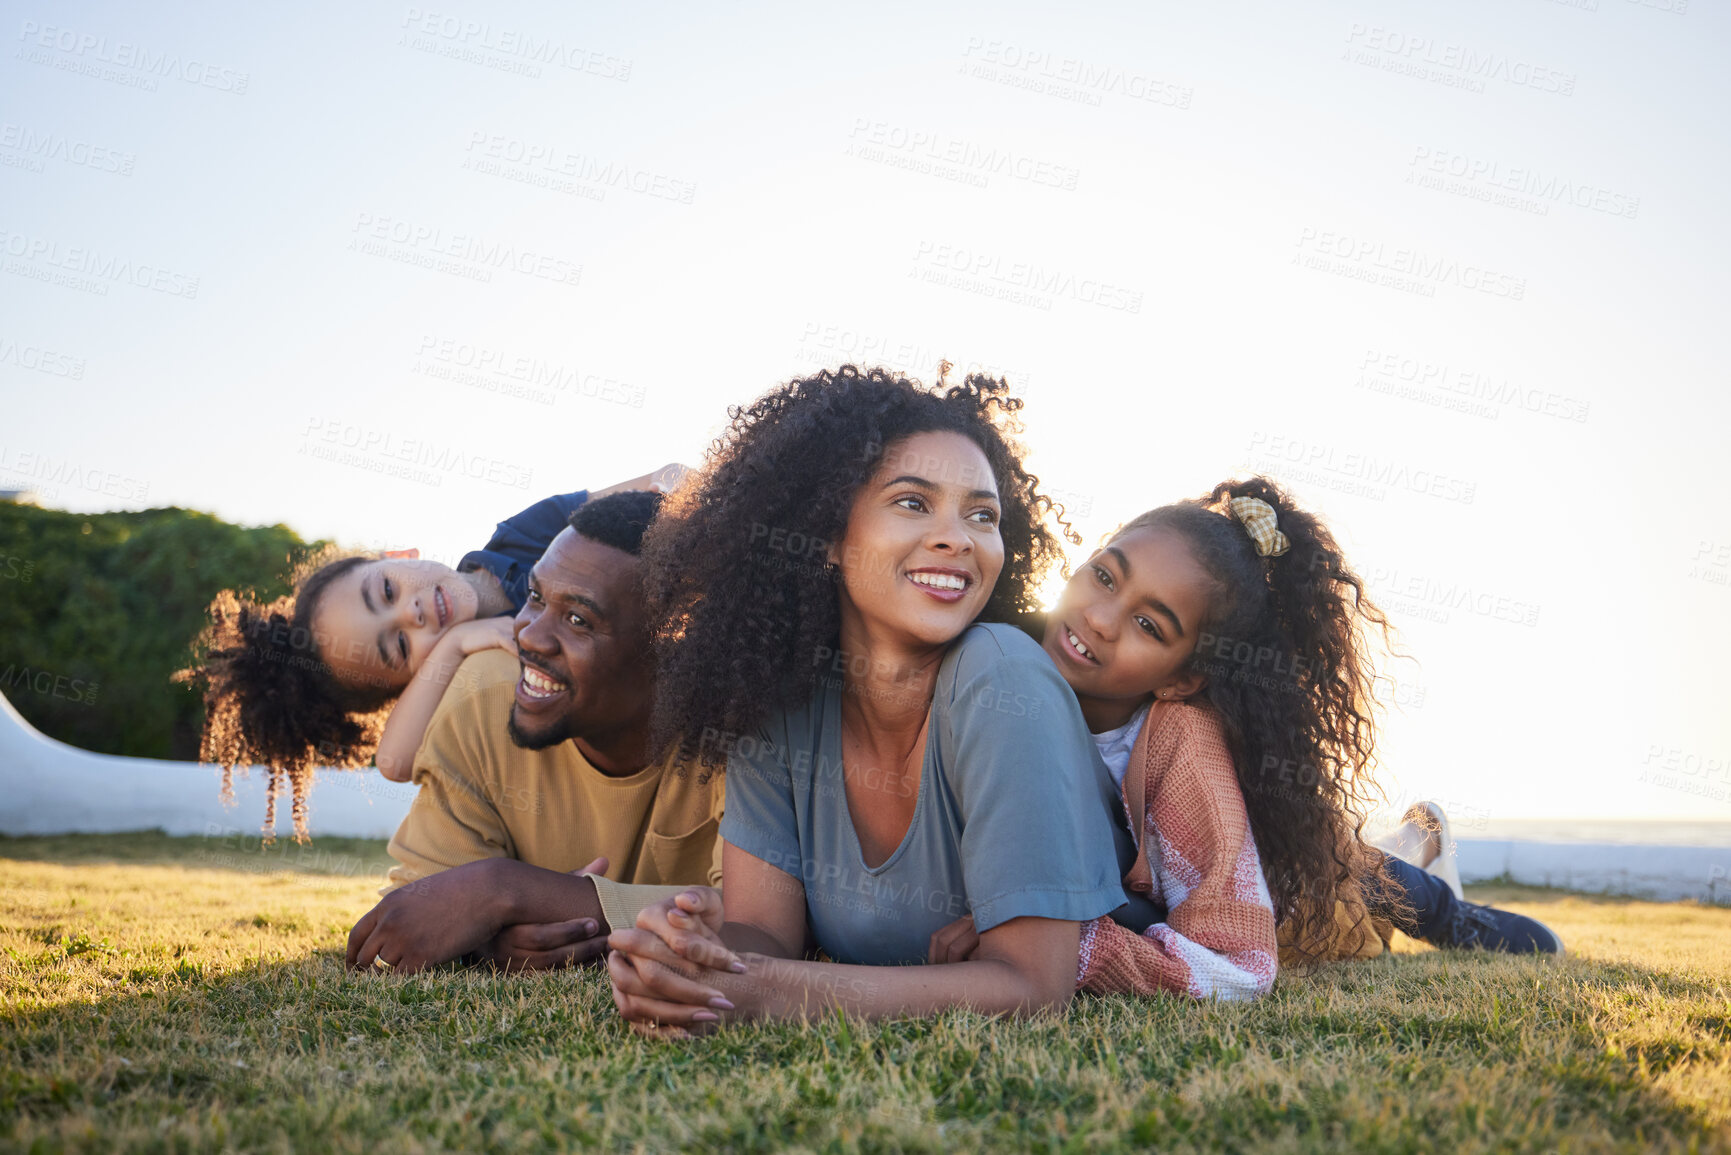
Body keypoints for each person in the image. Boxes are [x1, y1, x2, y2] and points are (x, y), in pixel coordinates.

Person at [602, 365, 1131, 1035]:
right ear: (827, 532)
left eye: (981, 514)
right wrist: (696, 952)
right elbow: (767, 935)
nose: (957, 537)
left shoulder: (1001, 679)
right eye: (913, 502)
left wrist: (761, 992)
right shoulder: (780, 701)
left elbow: (1031, 984)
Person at [925, 479, 1561, 1001]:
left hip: (1284, 895)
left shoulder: (1182, 742)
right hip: (1211, 873)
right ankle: (1415, 840)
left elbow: (1238, 967)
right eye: (1104, 576)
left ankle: (1441, 891)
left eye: (1149, 624)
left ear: (1184, 678)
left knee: (1359, 884)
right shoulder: (997, 655)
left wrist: (1069, 948)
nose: (1098, 617)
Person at [182, 463, 685, 838]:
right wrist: (456, 646)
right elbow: (395, 764)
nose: (413, 612)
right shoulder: (470, 675)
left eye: (385, 591)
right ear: (410, 684)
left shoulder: (525, 536)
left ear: (397, 555)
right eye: (400, 645)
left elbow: (659, 487)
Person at [345, 490, 725, 973]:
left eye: (576, 619)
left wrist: (509, 892)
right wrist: (484, 937)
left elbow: (769, 922)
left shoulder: (740, 730)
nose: (527, 635)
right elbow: (418, 917)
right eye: (534, 597)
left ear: (674, 648)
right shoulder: (481, 696)